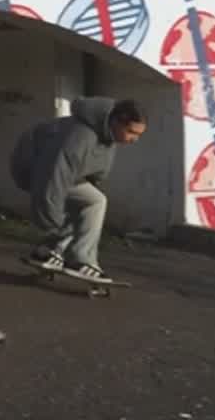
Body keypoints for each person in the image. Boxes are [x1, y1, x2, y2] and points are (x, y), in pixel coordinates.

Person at [9, 96, 147, 282]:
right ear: (116, 122)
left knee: (87, 204)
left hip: (56, 174)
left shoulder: (106, 137)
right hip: (31, 167)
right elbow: (52, 177)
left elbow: (92, 176)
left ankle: (47, 251)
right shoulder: (81, 136)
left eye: (139, 135)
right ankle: (80, 261)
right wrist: (51, 223)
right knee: (95, 202)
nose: (134, 139)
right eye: (131, 132)